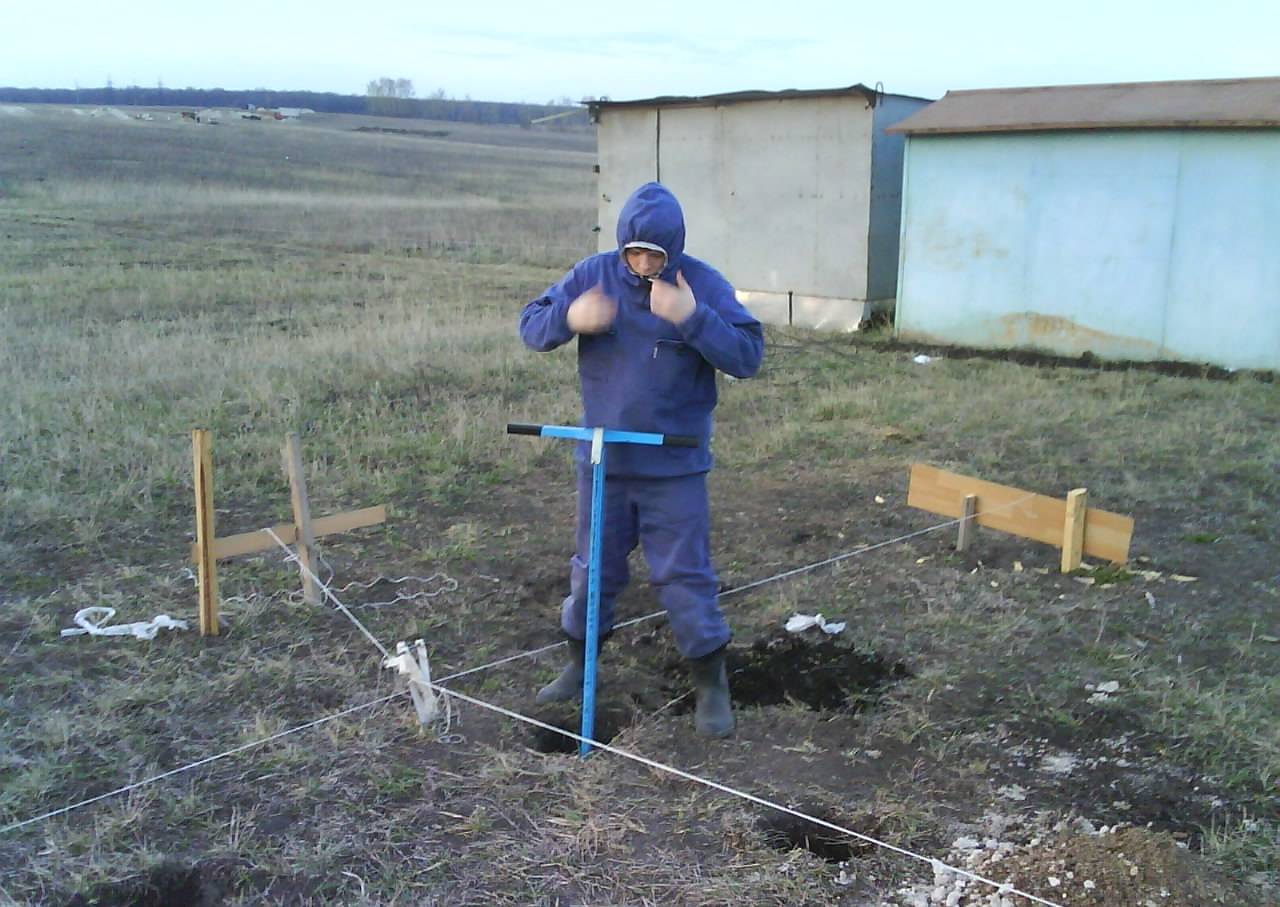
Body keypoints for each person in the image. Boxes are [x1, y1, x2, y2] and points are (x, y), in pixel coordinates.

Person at [518, 181, 764, 738]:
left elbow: (748, 356)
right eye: (635, 253)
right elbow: (530, 327)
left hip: (673, 467)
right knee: (592, 571)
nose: (644, 264)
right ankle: (580, 668)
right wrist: (569, 319)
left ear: (673, 249)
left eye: (655, 254)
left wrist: (691, 318)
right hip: (603, 464)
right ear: (621, 244)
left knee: (683, 575)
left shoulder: (701, 284)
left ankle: (710, 684)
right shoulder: (593, 275)